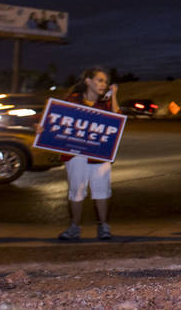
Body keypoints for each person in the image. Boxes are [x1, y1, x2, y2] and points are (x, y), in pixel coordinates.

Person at [56, 67, 120, 242]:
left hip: (99, 154)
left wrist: (113, 95)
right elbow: (58, 120)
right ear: (88, 81)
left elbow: (116, 120)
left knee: (102, 190)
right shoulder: (73, 100)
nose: (104, 84)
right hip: (76, 154)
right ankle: (75, 227)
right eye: (100, 80)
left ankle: (104, 226)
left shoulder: (105, 103)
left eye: (106, 82)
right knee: (76, 190)